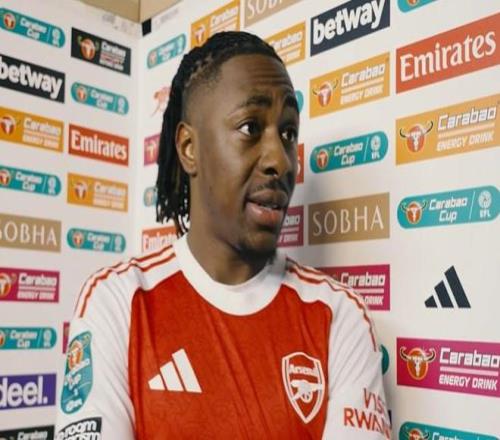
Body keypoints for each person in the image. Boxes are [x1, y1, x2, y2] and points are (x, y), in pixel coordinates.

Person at [56, 31, 390, 439]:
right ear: (188, 148)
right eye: (250, 127)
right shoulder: (117, 301)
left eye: (288, 133)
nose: (281, 161)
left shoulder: (339, 315)